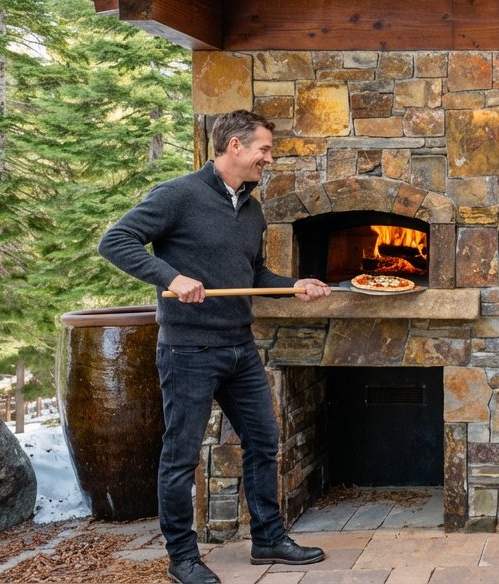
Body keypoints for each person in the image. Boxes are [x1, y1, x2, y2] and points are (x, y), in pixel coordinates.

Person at [99, 110, 333, 584]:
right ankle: (182, 558)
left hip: (239, 346)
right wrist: (171, 277)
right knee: (180, 455)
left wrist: (293, 286)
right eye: (263, 149)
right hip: (188, 349)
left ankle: (267, 538)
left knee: (265, 441)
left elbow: (253, 276)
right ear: (234, 147)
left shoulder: (251, 208)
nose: (269, 157)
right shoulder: (178, 195)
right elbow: (115, 240)